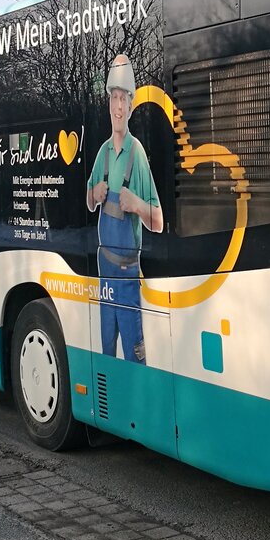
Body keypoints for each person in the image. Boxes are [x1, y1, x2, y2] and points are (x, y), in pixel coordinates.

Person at [87, 54, 163, 363]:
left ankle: (136, 407)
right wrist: (95, 192)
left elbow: (158, 221)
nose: (118, 107)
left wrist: (138, 206)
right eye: (114, 99)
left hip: (128, 275)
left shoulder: (138, 155)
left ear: (130, 107)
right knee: (106, 349)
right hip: (105, 274)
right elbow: (89, 202)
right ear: (109, 105)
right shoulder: (102, 154)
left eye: (124, 100)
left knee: (133, 352)